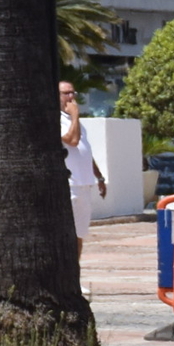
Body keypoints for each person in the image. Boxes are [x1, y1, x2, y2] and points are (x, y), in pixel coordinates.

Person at [62, 82, 108, 252]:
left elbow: (86, 152)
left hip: (85, 184)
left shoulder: (77, 122)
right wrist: (74, 116)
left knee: (80, 235)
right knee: (68, 234)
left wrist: (100, 177)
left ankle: (76, 273)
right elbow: (72, 141)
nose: (71, 97)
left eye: (73, 93)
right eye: (66, 93)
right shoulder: (57, 119)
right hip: (70, 185)